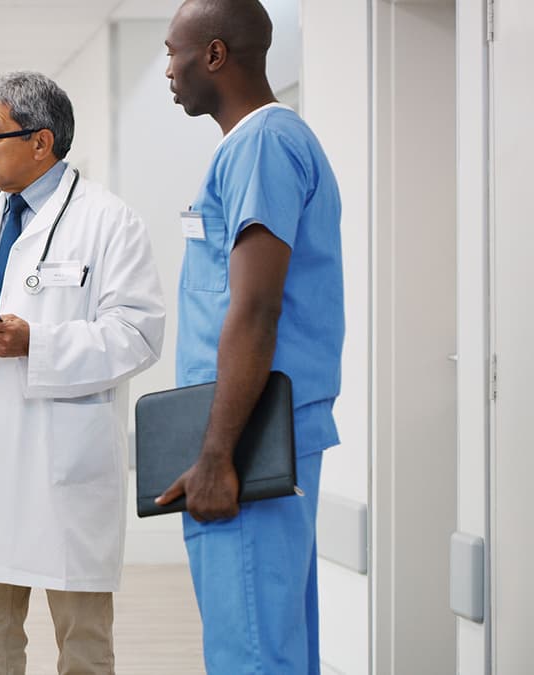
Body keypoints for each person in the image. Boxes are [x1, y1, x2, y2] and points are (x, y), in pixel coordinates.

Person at [0, 71, 165, 674]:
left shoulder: (108, 221)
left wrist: (36, 342)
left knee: (82, 632)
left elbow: (139, 335)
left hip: (60, 440)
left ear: (41, 142)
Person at [156, 1, 344, 672]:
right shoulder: (261, 145)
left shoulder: (263, 143)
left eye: (174, 52)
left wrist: (215, 456)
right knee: (275, 648)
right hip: (261, 437)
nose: (167, 69)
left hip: (249, 447)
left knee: (253, 655)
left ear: (214, 55)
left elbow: (257, 307)